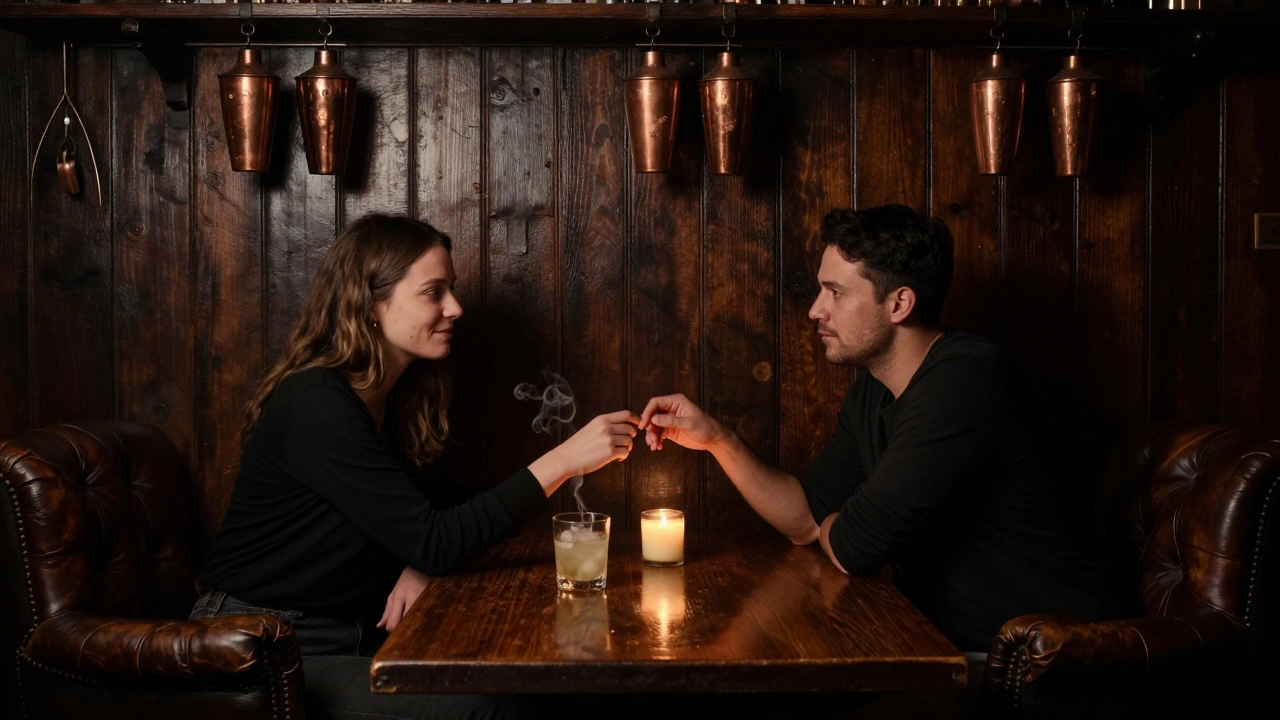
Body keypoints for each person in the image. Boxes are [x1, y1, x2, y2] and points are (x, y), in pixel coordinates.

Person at [192, 214, 638, 719]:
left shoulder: (391, 400)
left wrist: (421, 557)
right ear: (372, 305)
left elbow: (429, 518)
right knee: (489, 709)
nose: (456, 307)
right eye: (434, 292)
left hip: (342, 636)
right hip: (259, 648)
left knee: (545, 683)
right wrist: (567, 458)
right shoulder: (315, 402)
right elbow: (436, 537)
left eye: (453, 289)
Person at [638, 204, 1117, 659]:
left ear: (900, 303)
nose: (815, 310)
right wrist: (718, 438)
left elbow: (854, 547)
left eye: (837, 293)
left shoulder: (965, 379)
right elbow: (807, 521)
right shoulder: (874, 390)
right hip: (933, 645)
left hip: (1031, 663)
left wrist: (841, 528)